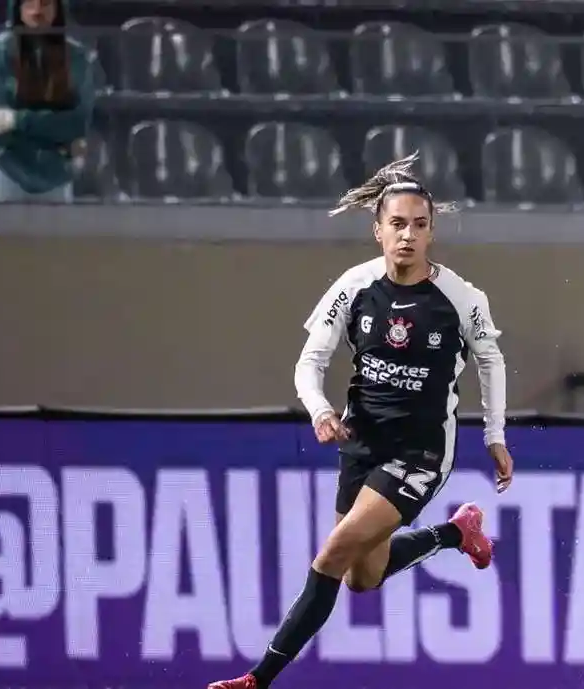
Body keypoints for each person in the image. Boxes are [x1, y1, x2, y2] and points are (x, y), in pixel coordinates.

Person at [208, 154, 515, 689]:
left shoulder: (461, 300)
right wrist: (321, 410)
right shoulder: (353, 287)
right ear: (377, 231)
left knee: (332, 553)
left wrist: (494, 435)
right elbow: (310, 362)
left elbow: (491, 361)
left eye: (419, 226)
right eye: (397, 224)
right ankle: (454, 532)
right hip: (362, 443)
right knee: (362, 578)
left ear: (430, 233)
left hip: (420, 452)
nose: (408, 236)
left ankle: (260, 677)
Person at [0, 0, 96, 203]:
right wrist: (52, 128)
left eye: (45, 3)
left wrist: (17, 120)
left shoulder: (78, 57)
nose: (37, 11)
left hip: (58, 174)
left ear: (58, 8)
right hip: (4, 175)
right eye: (30, 3)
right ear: (17, 7)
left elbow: (76, 124)